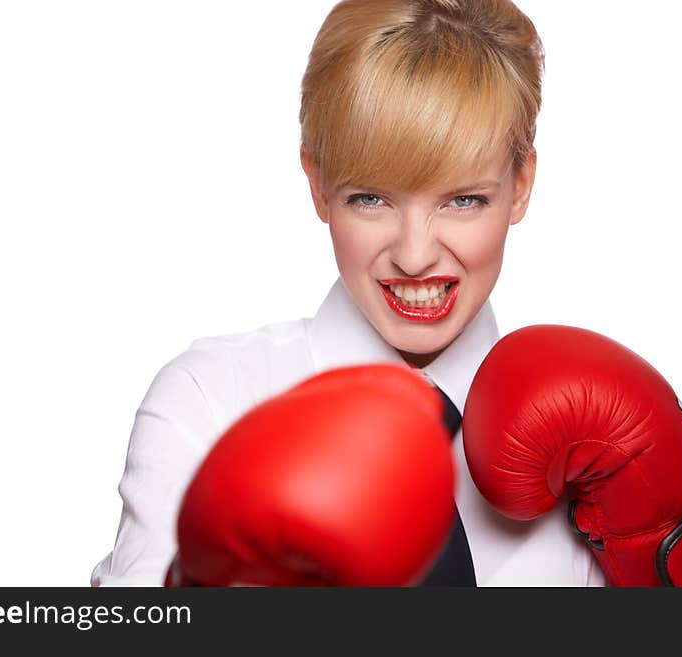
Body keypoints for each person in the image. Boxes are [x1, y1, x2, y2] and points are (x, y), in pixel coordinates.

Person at [91, 0, 607, 587]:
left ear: (520, 186)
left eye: (464, 199)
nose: (414, 255)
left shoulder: (599, 437)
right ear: (317, 184)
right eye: (371, 198)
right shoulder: (210, 400)